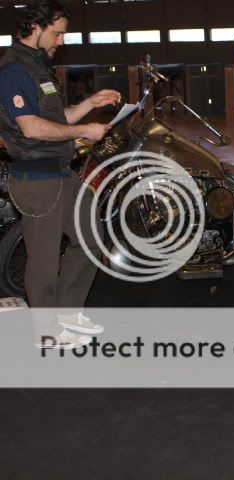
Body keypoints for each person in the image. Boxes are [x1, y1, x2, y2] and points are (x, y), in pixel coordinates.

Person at [0, 0, 119, 348]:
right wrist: (84, 132)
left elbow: (57, 118)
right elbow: (32, 127)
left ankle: (67, 313)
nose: (61, 41)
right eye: (57, 34)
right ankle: (47, 333)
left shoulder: (37, 67)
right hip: (36, 178)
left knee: (91, 238)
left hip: (59, 171)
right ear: (35, 29)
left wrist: (90, 105)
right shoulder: (14, 70)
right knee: (44, 260)